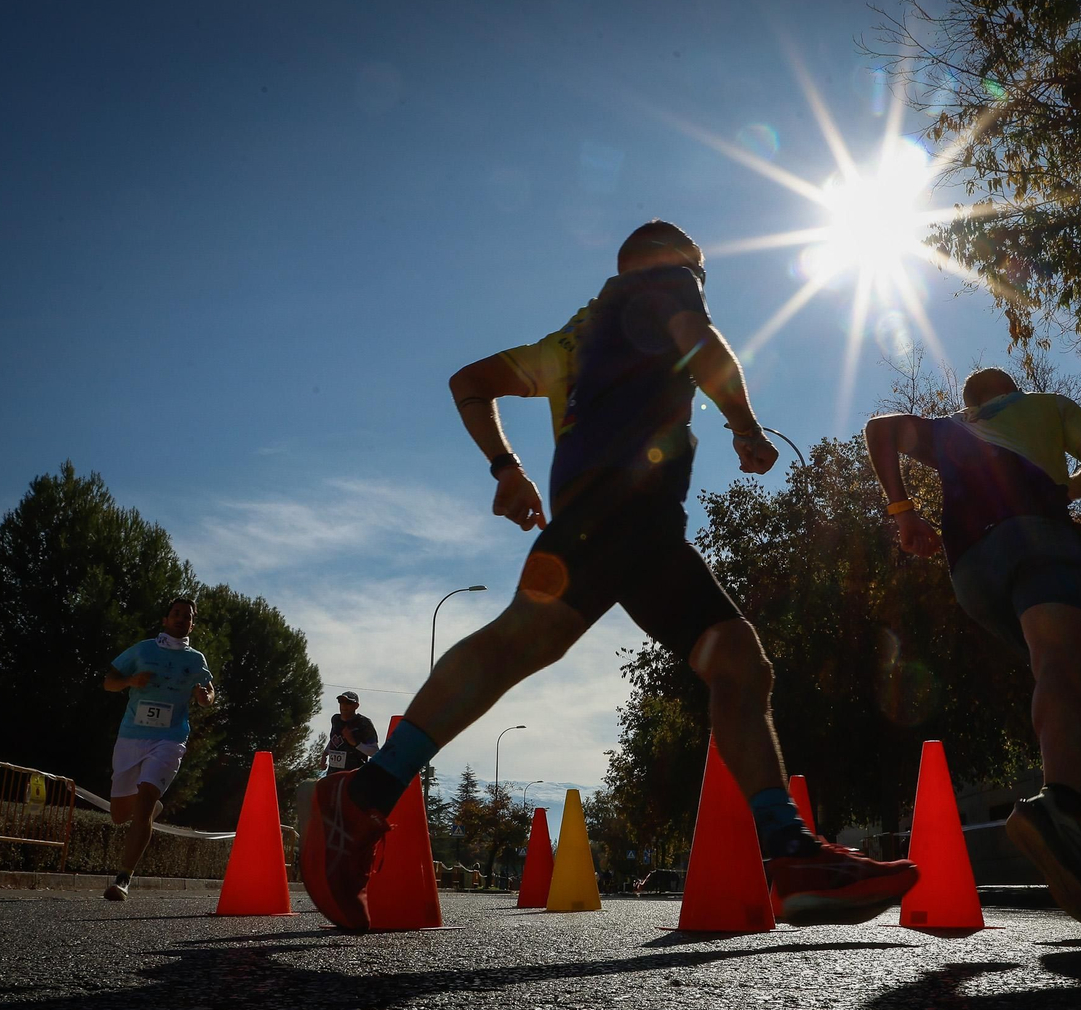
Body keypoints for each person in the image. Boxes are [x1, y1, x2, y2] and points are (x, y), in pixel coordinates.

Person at [301, 219, 918, 931]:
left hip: (626, 521)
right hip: (624, 510)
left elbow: (469, 382)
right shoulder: (665, 281)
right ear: (678, 265)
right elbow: (703, 346)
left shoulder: (569, 339)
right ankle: (364, 793)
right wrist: (745, 426)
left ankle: (788, 851)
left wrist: (507, 468)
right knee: (558, 648)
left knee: (728, 662)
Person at [864, 367, 1081, 930]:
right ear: (1012, 389)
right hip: (1038, 538)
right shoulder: (1049, 406)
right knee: (1062, 662)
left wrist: (904, 514)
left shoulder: (954, 430)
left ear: (970, 401)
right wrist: (1061, 491)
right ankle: (1061, 809)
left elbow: (880, 428)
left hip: (973, 574)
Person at [101, 597, 216, 901]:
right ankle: (147, 807)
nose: (181, 619)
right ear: (165, 619)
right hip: (131, 736)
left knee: (147, 794)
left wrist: (205, 697)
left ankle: (123, 878)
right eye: (176, 614)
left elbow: (209, 692)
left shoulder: (195, 659)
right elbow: (108, 682)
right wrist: (129, 681)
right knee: (119, 814)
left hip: (170, 737)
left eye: (187, 617)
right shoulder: (142, 649)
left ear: (192, 624)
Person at [322, 692, 380, 775]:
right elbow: (334, 739)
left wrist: (354, 743)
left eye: (348, 703)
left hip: (353, 775)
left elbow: (374, 752)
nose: (344, 706)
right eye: (341, 702)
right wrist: (325, 754)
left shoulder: (363, 723)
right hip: (333, 774)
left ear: (356, 706)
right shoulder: (336, 720)